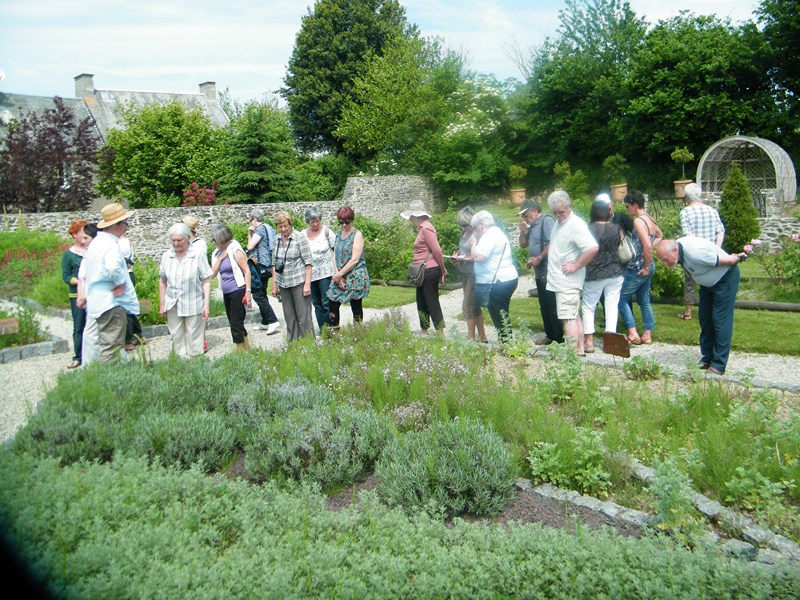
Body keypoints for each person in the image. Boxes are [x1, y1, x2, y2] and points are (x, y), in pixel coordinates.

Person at [656, 238, 745, 375]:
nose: (665, 263)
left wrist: (737, 257)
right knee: (705, 318)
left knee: (720, 320)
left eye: (666, 260)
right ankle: (707, 357)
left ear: (675, 251)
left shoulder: (695, 253)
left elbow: (729, 261)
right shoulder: (678, 250)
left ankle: (718, 364)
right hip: (707, 285)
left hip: (725, 279)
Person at [83, 202, 140, 362]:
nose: (126, 227)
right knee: (111, 346)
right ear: (117, 224)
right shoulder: (109, 244)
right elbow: (113, 267)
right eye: (125, 223)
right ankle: (110, 380)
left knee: (100, 342)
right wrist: (120, 282)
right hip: (110, 302)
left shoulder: (97, 242)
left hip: (98, 300)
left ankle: (96, 373)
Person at [545, 191, 599, 356]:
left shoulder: (576, 224)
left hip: (567, 281)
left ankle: (572, 354)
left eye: (561, 212)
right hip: (560, 281)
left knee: (567, 318)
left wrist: (576, 265)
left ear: (570, 206)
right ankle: (579, 350)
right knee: (573, 315)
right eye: (555, 213)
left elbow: (592, 247)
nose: (558, 216)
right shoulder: (560, 223)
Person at [158, 223, 212, 358]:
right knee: (175, 336)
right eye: (173, 240)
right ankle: (179, 364)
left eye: (179, 240)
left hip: (193, 303)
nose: (176, 244)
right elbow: (162, 281)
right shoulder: (167, 256)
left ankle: (195, 363)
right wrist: (162, 304)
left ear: (187, 238)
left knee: (194, 336)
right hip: (173, 303)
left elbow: (206, 281)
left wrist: (206, 304)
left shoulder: (197, 255)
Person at [618, 190, 664, 345]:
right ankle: (647, 334)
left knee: (621, 299)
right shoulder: (649, 218)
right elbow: (659, 235)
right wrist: (648, 256)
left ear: (635, 205)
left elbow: (646, 244)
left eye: (627, 207)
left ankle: (633, 333)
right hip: (648, 265)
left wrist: (645, 263)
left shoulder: (639, 221)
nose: (627, 210)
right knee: (644, 300)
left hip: (638, 267)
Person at [581, 200, 625, 353]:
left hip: (595, 272)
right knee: (612, 306)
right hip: (614, 270)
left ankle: (589, 341)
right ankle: (610, 342)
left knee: (588, 306)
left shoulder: (589, 229)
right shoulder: (616, 228)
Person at [518, 199, 563, 346]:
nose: (524, 217)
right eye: (523, 215)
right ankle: (550, 335)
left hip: (549, 269)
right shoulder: (532, 225)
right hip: (539, 271)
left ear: (534, 210)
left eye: (525, 213)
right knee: (544, 305)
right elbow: (523, 244)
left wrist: (539, 257)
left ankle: (558, 337)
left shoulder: (547, 221)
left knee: (552, 305)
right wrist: (523, 231)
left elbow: (553, 242)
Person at [678, 183, 725, 321]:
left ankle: (688, 312)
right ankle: (713, 309)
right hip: (711, 251)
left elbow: (688, 235)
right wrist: (717, 249)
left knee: (690, 281)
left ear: (687, 196)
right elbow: (720, 231)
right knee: (712, 281)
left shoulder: (685, 212)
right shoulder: (712, 210)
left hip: (695, 251)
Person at [470, 210, 519, 344]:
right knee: (501, 314)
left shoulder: (489, 236)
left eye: (475, 228)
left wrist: (473, 244)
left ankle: (507, 344)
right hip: (504, 279)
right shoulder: (496, 232)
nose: (475, 231)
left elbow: (478, 256)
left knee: (499, 315)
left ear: (480, 225)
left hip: (499, 281)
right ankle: (506, 341)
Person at [401, 200, 447, 334]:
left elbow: (437, 250)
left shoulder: (426, 228)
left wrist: (443, 270)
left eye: (410, 217)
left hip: (429, 269)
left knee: (431, 301)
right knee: (421, 301)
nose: (410, 219)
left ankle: (440, 331)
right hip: (423, 270)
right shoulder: (422, 228)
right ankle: (424, 329)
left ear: (415, 216)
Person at [271, 211, 314, 341]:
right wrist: (274, 284)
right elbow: (274, 263)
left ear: (290, 224)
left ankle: (309, 344)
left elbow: (308, 263)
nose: (283, 229)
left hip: (298, 282)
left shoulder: (299, 237)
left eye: (285, 226)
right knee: (289, 317)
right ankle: (293, 344)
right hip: (284, 283)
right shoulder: (276, 240)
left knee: (304, 317)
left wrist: (307, 284)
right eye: (280, 226)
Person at [210, 224, 253, 351]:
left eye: (215, 239)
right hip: (226, 291)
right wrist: (220, 259)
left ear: (221, 239)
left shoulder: (236, 250)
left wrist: (248, 292)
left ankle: (240, 350)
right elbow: (212, 274)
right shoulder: (216, 253)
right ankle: (247, 348)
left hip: (238, 290)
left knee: (236, 321)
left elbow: (247, 271)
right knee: (234, 320)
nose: (213, 242)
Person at [326, 206, 370, 329]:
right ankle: (334, 334)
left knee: (356, 306)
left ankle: (357, 333)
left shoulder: (357, 234)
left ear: (352, 220)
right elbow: (334, 255)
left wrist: (340, 275)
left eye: (347, 222)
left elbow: (355, 259)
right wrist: (337, 276)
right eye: (341, 222)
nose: (344, 225)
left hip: (355, 276)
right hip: (339, 275)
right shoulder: (339, 235)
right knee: (332, 303)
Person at [452, 207, 487, 343]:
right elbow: (463, 250)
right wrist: (457, 256)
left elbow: (480, 255)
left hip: (473, 272)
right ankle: (482, 336)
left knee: (467, 304)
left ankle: (471, 337)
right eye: (461, 225)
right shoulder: (464, 233)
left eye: (465, 225)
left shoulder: (477, 234)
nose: (463, 227)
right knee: (474, 305)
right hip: (464, 271)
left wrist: (467, 258)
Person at [246, 208, 280, 335]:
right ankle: (265, 322)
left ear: (254, 219)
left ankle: (272, 320)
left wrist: (250, 233)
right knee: (262, 292)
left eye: (251, 220)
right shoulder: (269, 227)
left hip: (260, 265)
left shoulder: (259, 229)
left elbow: (250, 247)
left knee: (258, 294)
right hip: (268, 265)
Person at [61, 219, 90, 368]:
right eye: (81, 232)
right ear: (75, 235)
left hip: (92, 293)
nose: (85, 235)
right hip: (76, 295)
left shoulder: (91, 250)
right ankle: (78, 356)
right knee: (79, 326)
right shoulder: (69, 255)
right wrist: (79, 282)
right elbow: (66, 276)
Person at [302, 206, 336, 330]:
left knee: (326, 302)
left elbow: (335, 250)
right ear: (308, 222)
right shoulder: (303, 234)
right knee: (316, 304)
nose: (315, 224)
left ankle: (330, 330)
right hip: (310, 275)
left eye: (317, 221)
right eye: (312, 222)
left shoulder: (327, 232)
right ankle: (322, 329)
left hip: (326, 273)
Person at [182, 214, 211, 351]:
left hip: (197, 281)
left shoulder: (199, 244)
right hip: (184, 283)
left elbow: (200, 265)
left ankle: (201, 340)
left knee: (199, 312)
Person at [117, 228, 144, 351]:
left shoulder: (121, 242)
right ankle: (138, 334)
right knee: (127, 308)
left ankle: (129, 340)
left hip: (126, 275)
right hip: (127, 274)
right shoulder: (122, 241)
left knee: (125, 308)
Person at [76, 223, 99, 365]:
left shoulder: (96, 256)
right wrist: (80, 295)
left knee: (92, 335)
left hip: (97, 300)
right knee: (90, 334)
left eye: (86, 238)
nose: (83, 241)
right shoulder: (86, 257)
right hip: (89, 300)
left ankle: (90, 365)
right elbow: (81, 278)